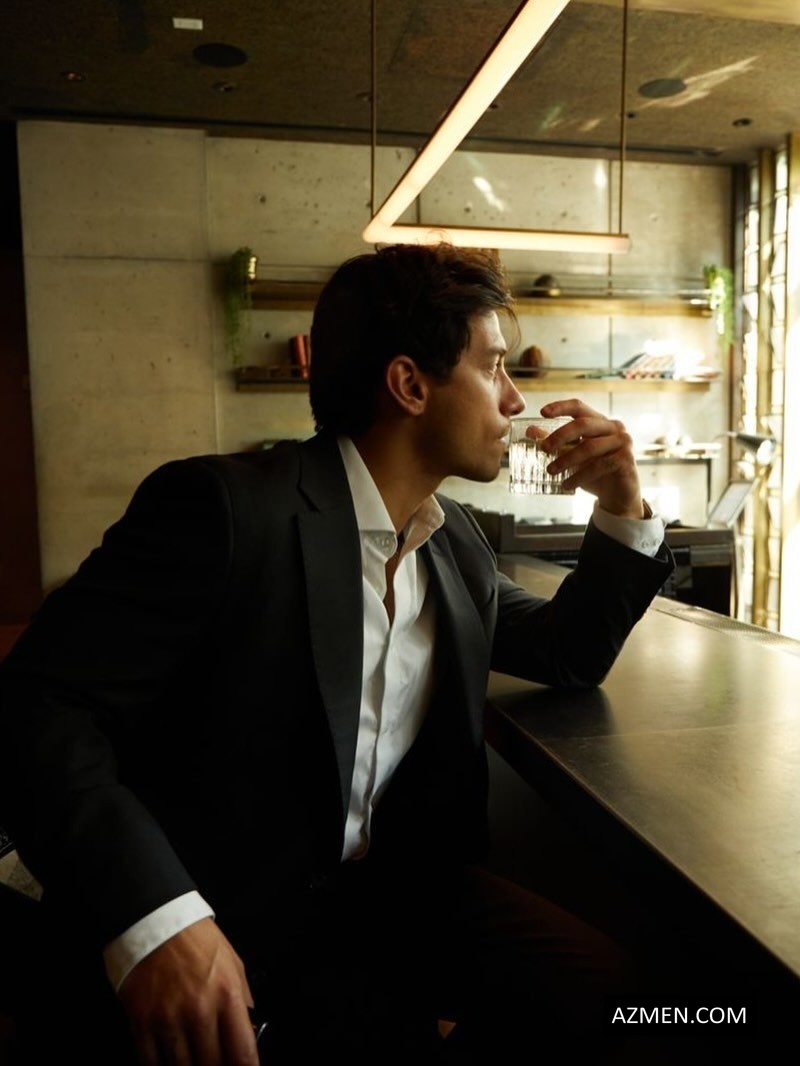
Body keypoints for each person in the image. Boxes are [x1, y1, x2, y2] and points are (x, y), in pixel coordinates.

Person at [0, 242, 673, 1065]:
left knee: (639, 1008)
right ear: (410, 385)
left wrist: (624, 502)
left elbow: (568, 652)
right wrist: (156, 918)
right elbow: (36, 707)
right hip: (214, 902)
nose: (515, 400)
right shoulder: (225, 510)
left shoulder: (453, 543)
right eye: (494, 367)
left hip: (387, 901)